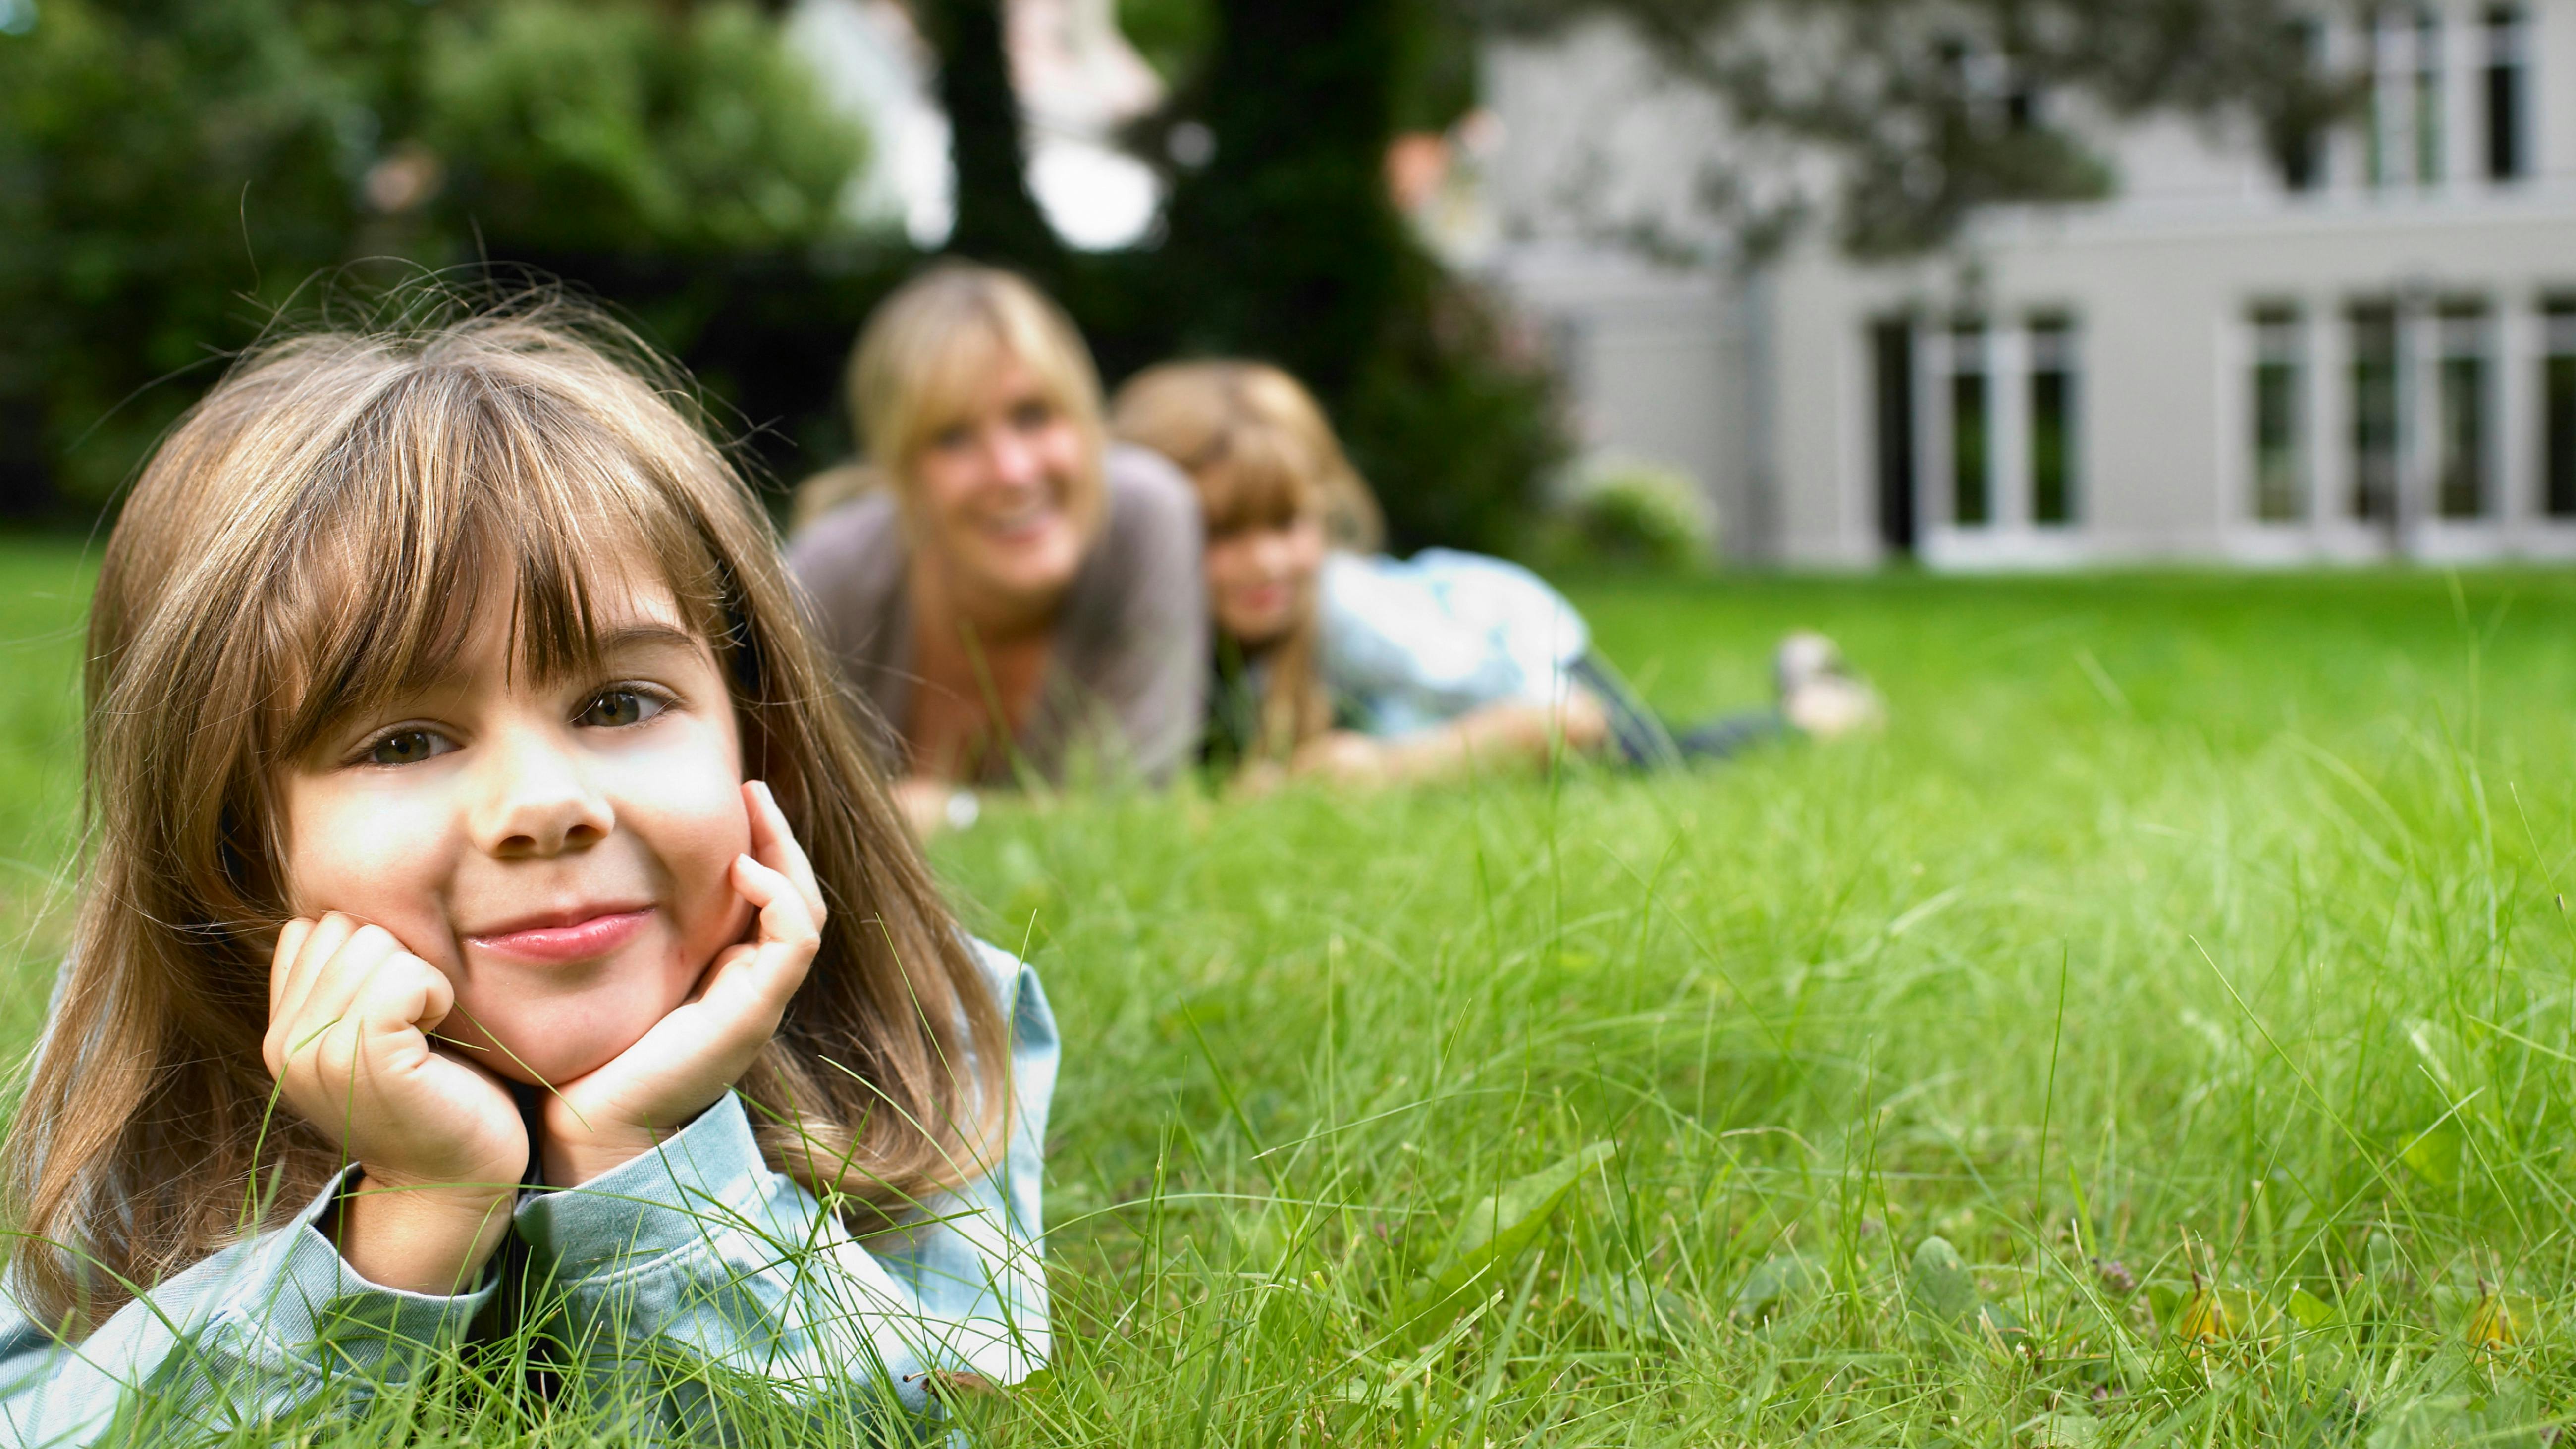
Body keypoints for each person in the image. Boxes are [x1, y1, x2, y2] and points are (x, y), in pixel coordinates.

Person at [0, 304, 1055, 1442]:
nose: (546, 806)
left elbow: (895, 1419)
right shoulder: (141, 1070)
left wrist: (638, 1157)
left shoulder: (909, 1019)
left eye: (618, 704)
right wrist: (417, 1211)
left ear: (757, 735)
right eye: (404, 740)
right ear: (235, 839)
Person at [1108, 360, 1879, 787]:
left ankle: (1822, 708)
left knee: (1670, 763)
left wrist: (1390, 769)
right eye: (1223, 534)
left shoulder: (1348, 613)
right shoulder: (1162, 638)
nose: (1267, 561)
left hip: (1514, 647)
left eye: (1284, 525)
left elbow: (1566, 719)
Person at [788, 264, 1205, 837]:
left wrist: (951, 815)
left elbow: (1134, 810)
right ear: (898, 471)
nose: (1010, 471)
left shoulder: (1145, 514)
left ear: (1086, 421)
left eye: (1033, 416)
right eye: (952, 438)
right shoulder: (829, 572)